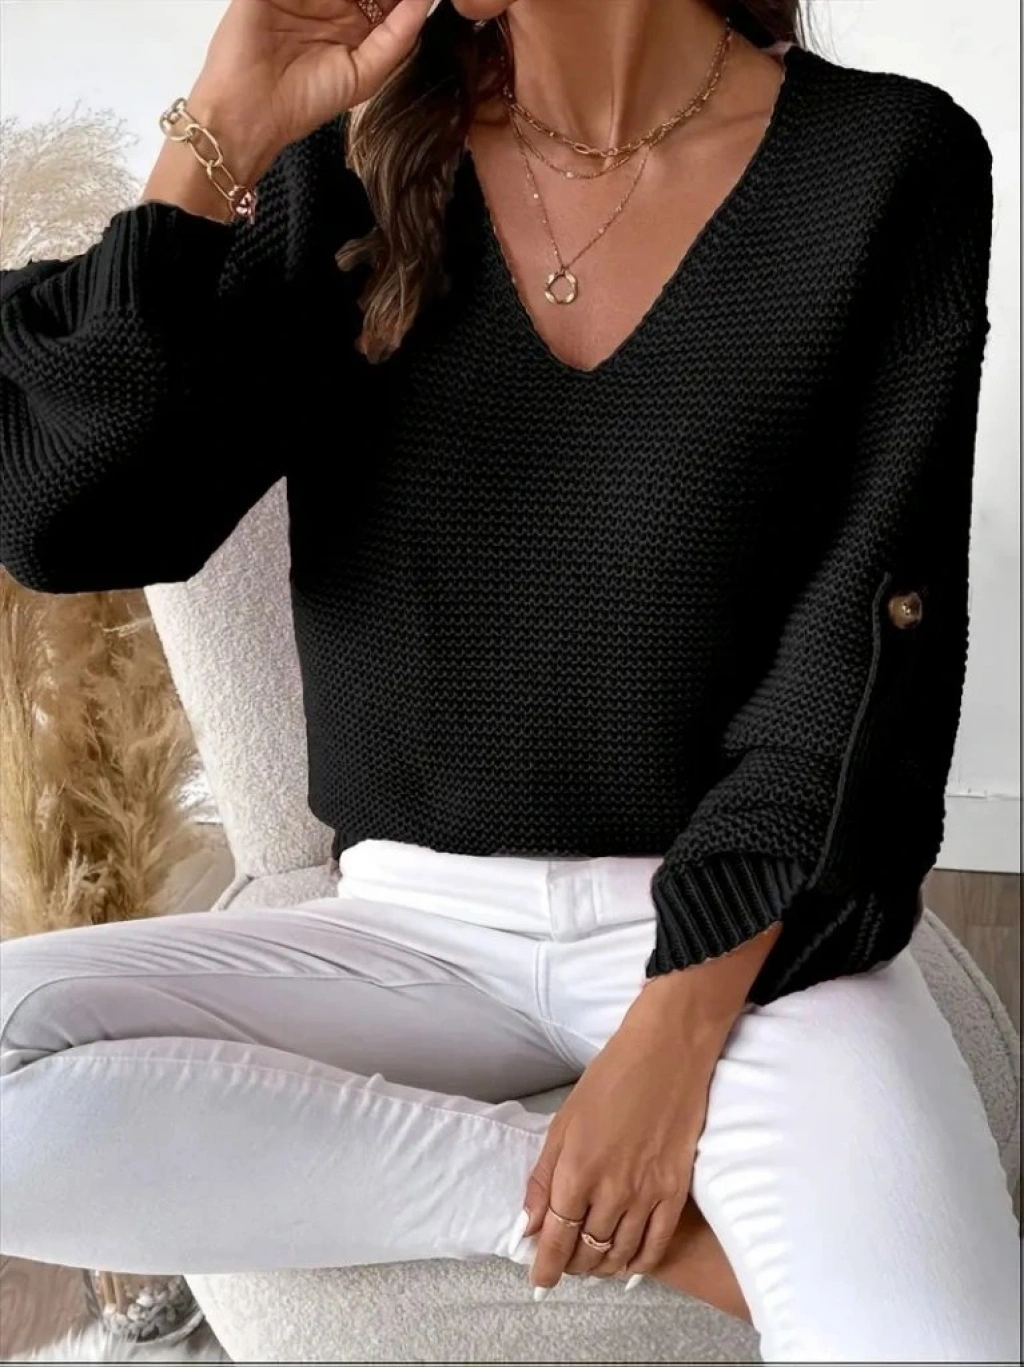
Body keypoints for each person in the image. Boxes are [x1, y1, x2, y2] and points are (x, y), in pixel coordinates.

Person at [0, 0, 1018, 1360]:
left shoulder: (888, 161)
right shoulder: (357, 167)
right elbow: (70, 521)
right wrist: (221, 129)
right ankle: (615, 1223)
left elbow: (862, 645)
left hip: (746, 943)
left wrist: (667, 1043)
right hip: (407, 927)